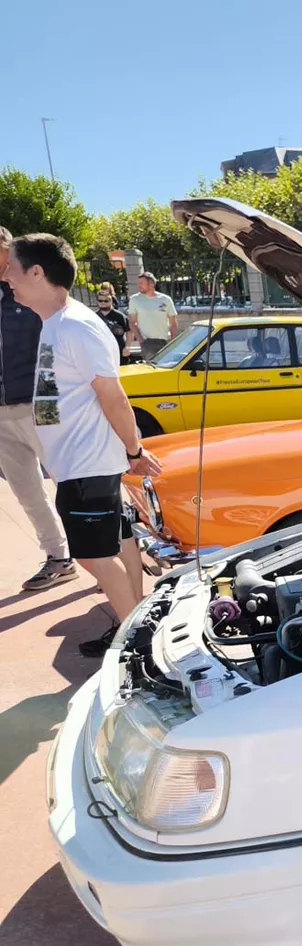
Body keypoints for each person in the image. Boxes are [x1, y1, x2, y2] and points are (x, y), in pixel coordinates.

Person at [4, 234, 162, 656]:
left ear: (37, 273)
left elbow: (113, 397)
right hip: (80, 462)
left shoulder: (77, 325)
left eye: (13, 270)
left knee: (94, 558)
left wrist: (134, 451)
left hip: (87, 464)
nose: (8, 279)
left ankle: (139, 647)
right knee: (120, 542)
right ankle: (135, 623)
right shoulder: (57, 323)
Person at [0, 226, 75, 591]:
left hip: (37, 405)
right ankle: (58, 557)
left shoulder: (29, 295)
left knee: (73, 482)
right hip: (2, 414)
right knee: (27, 491)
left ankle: (112, 548)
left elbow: (54, 347)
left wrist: (47, 406)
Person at [127, 271, 177, 360]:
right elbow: (132, 322)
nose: (139, 286)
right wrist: (140, 340)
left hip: (164, 341)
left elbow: (173, 322)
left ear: (151, 284)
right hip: (147, 342)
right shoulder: (135, 299)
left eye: (142, 283)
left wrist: (173, 341)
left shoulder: (166, 299)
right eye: (139, 283)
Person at [94, 283, 130, 356]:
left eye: (106, 301)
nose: (103, 303)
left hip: (119, 352)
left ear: (111, 301)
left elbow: (130, 331)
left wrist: (127, 347)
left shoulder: (120, 316)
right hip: (101, 353)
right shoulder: (93, 317)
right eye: (100, 301)